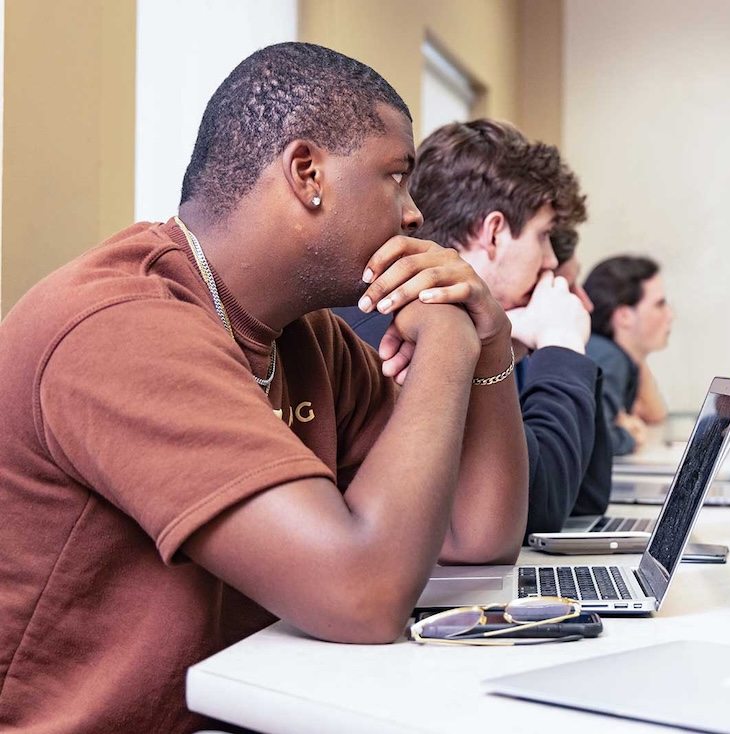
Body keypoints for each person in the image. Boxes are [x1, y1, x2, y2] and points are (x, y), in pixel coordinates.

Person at [0, 43, 528, 733]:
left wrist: (488, 339)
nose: (413, 217)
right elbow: (363, 596)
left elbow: (475, 537)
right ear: (307, 173)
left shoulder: (307, 337)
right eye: (396, 178)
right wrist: (448, 346)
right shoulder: (123, 327)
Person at [334, 119, 611, 536]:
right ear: (494, 233)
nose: (552, 261)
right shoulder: (398, 324)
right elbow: (539, 506)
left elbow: (585, 499)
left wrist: (519, 344)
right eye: (543, 236)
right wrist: (563, 346)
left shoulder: (479, 323)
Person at [583, 255, 674, 456]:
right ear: (624, 316)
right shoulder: (609, 358)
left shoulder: (607, 352)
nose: (670, 315)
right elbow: (595, 441)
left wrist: (638, 355)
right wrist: (628, 436)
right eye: (659, 304)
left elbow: (655, 415)